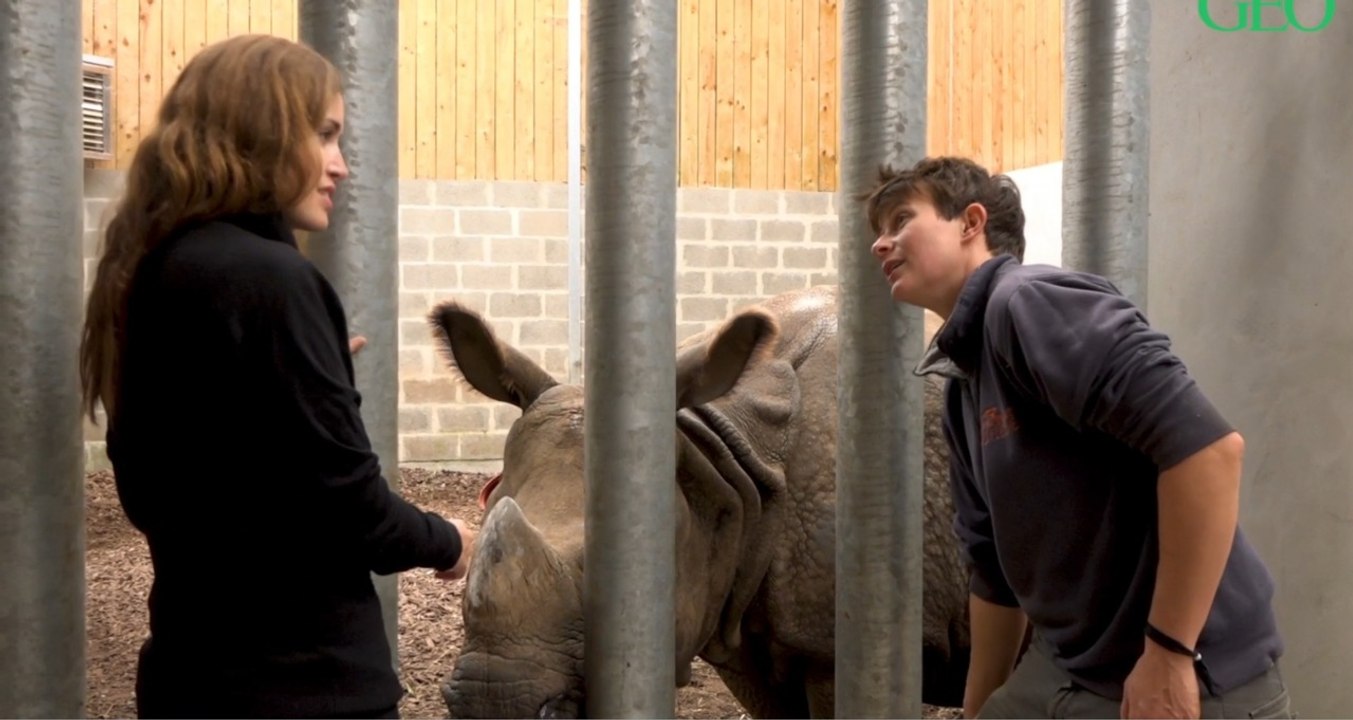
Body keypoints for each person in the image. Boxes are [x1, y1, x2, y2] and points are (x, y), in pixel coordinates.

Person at [79, 34, 475, 719]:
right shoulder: (271, 279)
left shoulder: (155, 271)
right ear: (262, 131)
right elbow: (351, 506)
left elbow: (182, 484)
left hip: (190, 677)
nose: (341, 166)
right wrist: (451, 540)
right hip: (303, 689)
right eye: (324, 135)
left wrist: (306, 378)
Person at [863, 156, 1290, 719]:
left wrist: (1168, 653)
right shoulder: (961, 386)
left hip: (1190, 670)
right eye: (878, 232)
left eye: (900, 220)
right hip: (1068, 667)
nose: (880, 245)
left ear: (970, 223)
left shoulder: (1030, 302)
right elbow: (993, 572)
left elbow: (1208, 452)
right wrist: (977, 707)